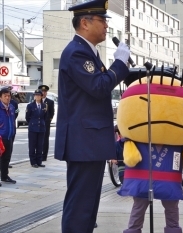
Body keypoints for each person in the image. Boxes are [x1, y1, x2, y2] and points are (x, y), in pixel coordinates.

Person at [54, 0, 130, 232]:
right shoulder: (77, 52)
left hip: (88, 141)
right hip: (83, 142)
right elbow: (98, 86)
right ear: (85, 23)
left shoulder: (88, 52)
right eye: (102, 20)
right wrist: (119, 64)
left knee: (87, 206)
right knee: (80, 206)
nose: (107, 26)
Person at [25, 90, 47, 168]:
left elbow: (45, 117)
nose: (37, 97)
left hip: (41, 127)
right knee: (32, 145)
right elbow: (27, 117)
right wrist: (32, 123)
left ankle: (39, 161)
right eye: (36, 95)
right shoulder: (30, 106)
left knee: (40, 145)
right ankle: (33, 162)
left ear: (41, 96)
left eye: (38, 95)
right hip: (33, 128)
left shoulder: (44, 105)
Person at [0, 87, 16, 185]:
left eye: (9, 96)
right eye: (5, 96)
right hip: (1, 136)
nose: (7, 98)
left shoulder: (11, 107)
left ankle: (4, 176)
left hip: (9, 136)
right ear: (0, 97)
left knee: (6, 157)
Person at [38, 84, 55, 162]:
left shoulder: (50, 102)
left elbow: (52, 113)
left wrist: (49, 120)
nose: (43, 93)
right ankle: (37, 155)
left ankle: (44, 156)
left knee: (45, 140)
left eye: (45, 91)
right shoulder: (37, 101)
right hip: (38, 123)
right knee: (37, 139)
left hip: (46, 123)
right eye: (42, 91)